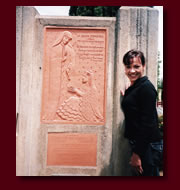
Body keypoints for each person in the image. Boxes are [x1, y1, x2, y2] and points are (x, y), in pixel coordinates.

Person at [121, 49, 163, 176]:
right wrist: (128, 92)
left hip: (147, 146)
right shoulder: (137, 86)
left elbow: (148, 124)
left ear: (144, 66)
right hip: (142, 144)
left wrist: (136, 154)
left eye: (136, 66)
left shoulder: (146, 88)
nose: (132, 70)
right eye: (128, 67)